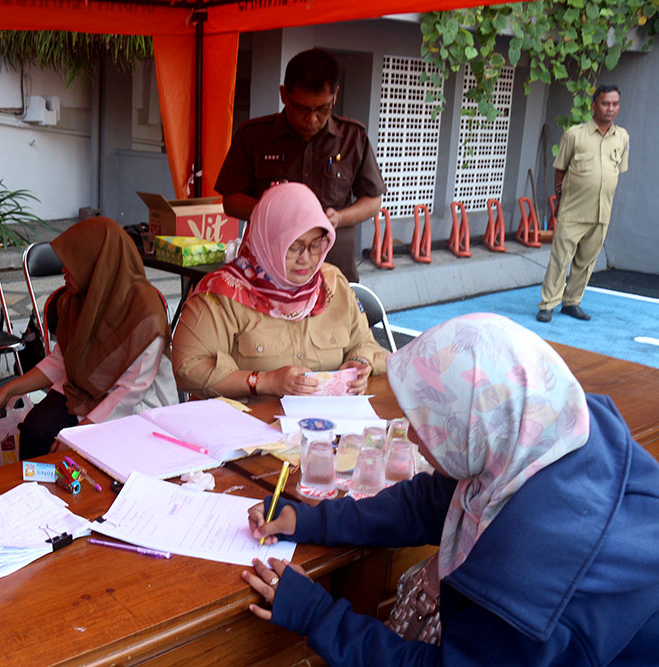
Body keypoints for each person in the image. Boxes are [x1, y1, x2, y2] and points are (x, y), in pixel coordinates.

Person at [243, 313, 659, 664]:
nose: (412, 438)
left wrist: (317, 615)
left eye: (426, 427)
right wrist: (310, 518)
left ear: (473, 430)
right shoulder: (554, 433)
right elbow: (430, 501)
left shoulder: (524, 577)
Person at [0, 217, 177, 458]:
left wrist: (79, 435)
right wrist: (8, 390)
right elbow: (63, 360)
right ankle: (35, 492)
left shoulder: (146, 315)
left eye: (73, 264)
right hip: (85, 388)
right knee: (36, 430)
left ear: (98, 265)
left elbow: (129, 393)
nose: (64, 271)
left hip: (137, 406)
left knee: (78, 447)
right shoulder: (77, 299)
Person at [172, 183, 387, 400]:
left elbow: (364, 343)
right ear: (267, 241)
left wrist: (359, 363)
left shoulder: (332, 284)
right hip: (248, 425)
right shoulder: (222, 294)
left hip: (324, 426)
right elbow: (188, 369)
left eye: (315, 245)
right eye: (293, 246)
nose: (306, 258)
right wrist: (265, 381)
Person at [215, 48, 386, 283]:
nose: (311, 119)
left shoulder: (353, 137)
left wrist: (338, 218)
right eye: (302, 108)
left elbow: (373, 201)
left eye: (322, 109)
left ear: (335, 96)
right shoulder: (254, 136)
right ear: (284, 95)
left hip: (333, 272)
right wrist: (274, 213)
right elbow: (231, 200)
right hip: (267, 275)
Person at [537, 85, 629, 322]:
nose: (610, 108)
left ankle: (571, 302)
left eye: (615, 104)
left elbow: (617, 171)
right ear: (593, 106)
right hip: (573, 210)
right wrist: (560, 200)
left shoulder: (622, 137)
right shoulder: (574, 135)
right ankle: (547, 304)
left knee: (586, 262)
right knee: (560, 260)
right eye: (605, 103)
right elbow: (560, 170)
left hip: (602, 212)